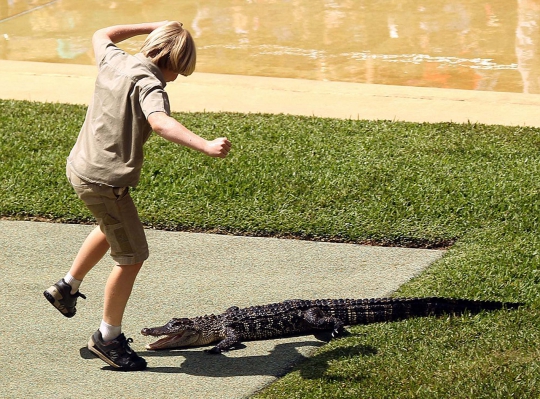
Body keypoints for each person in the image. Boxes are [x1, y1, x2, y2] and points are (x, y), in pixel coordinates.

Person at [43, 21, 231, 371]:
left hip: (81, 168)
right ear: (173, 61)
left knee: (109, 225)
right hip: (104, 183)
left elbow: (101, 34)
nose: (177, 78)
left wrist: (153, 25)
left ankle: (67, 287)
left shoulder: (114, 60)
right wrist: (205, 145)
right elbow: (160, 123)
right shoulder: (150, 84)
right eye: (179, 70)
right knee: (131, 257)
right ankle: (108, 338)